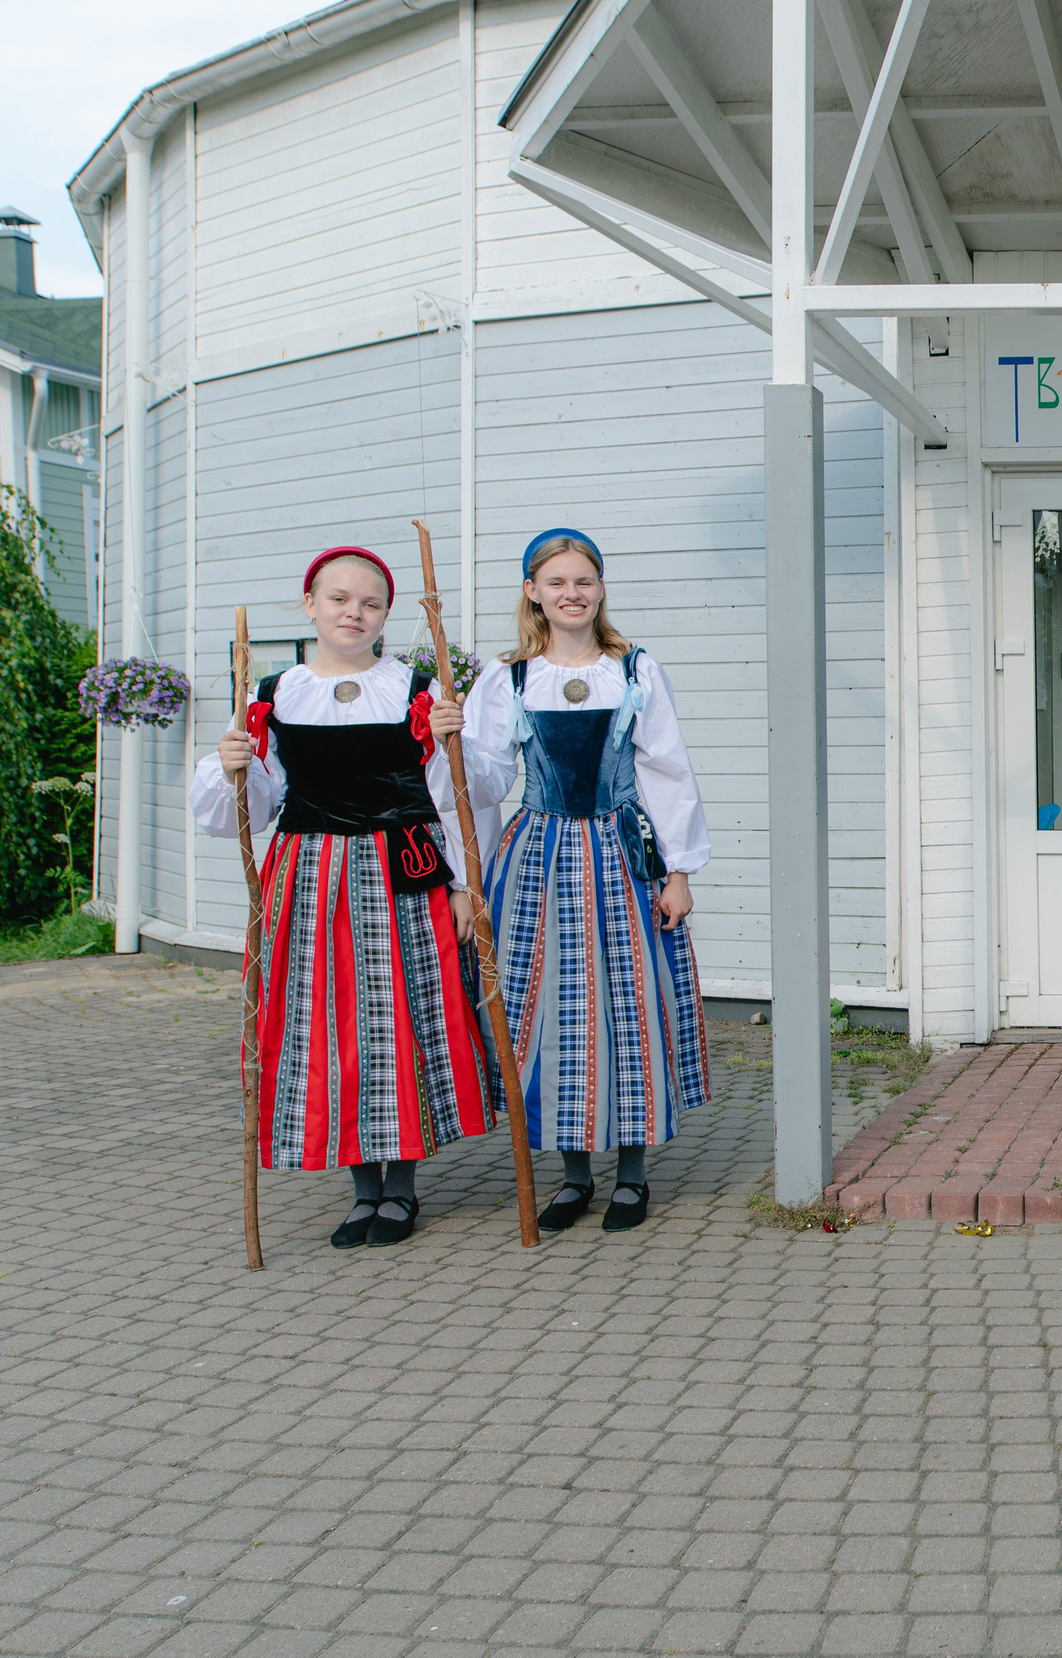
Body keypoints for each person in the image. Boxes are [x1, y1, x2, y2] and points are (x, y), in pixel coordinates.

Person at [189, 546, 497, 1248]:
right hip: (309, 875)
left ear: (387, 614)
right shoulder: (274, 693)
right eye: (339, 599)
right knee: (330, 1022)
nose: (353, 613)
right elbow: (252, 806)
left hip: (402, 873)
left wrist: (460, 881)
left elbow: (461, 798)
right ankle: (362, 1187)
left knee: (402, 1018)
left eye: (369, 603)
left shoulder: (416, 689)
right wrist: (231, 765)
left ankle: (403, 1190)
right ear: (311, 605)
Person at [438, 528, 711, 1233]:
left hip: (620, 851)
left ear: (599, 589)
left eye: (583, 581)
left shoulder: (635, 669)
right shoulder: (509, 678)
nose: (571, 593)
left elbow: (667, 773)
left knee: (627, 1005)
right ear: (532, 591)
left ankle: (631, 1175)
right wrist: (457, 747)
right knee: (548, 1008)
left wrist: (676, 870)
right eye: (556, 582)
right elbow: (490, 782)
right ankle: (573, 1175)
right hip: (537, 856)